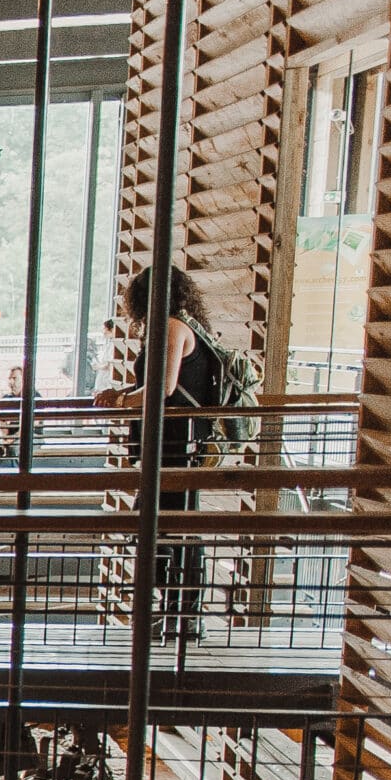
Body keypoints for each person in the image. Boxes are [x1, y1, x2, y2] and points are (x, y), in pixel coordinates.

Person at [95, 266, 219, 640]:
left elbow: (160, 390)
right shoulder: (184, 325)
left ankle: (175, 615)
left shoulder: (170, 328)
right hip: (178, 446)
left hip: (172, 448)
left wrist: (118, 399)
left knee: (164, 528)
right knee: (171, 527)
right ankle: (177, 614)